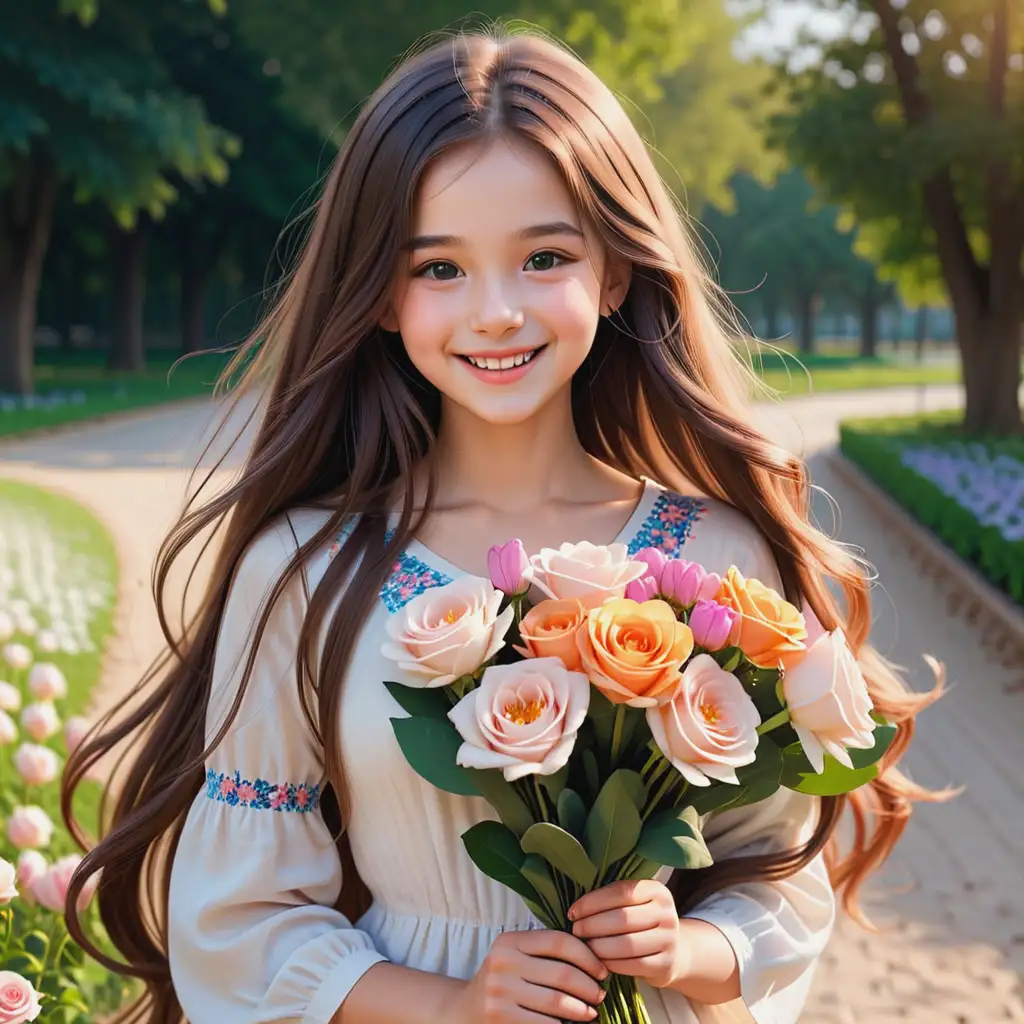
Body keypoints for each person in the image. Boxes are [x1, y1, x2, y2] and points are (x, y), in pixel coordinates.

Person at [62, 26, 945, 1024]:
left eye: (543, 257)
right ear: (381, 295)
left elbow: (778, 870)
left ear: (613, 272)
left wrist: (685, 943)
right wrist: (449, 1003)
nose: (493, 312)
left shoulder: (720, 557)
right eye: (438, 268)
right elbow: (238, 916)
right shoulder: (305, 568)